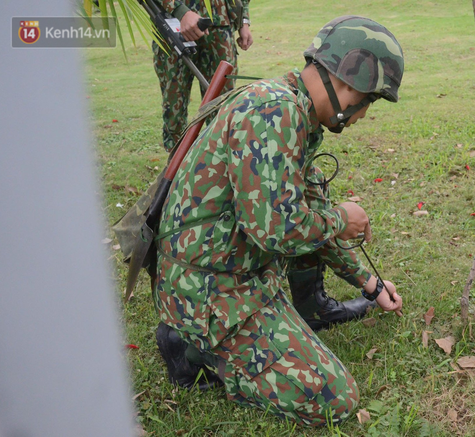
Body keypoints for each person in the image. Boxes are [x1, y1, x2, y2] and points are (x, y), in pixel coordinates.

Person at [153, 15, 405, 426]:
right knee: (334, 398)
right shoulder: (274, 113)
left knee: (314, 206)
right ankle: (193, 349)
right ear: (349, 86)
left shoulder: (293, 110)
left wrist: (369, 283)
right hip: (210, 294)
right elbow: (277, 231)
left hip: (233, 273)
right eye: (370, 102)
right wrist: (341, 218)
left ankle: (307, 310)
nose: (363, 115)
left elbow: (303, 213)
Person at [153, 0, 253, 152]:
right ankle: (175, 168)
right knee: (174, 106)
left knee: (222, 105)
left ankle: (216, 165)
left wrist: (243, 20)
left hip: (220, 25)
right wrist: (180, 11)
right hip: (173, 23)